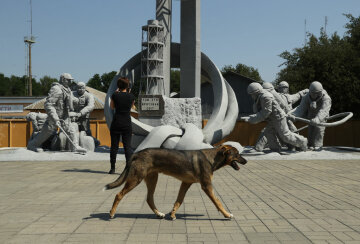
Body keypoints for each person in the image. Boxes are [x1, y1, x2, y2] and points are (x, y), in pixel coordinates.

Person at [27, 73, 86, 152]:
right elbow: (48, 104)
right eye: (68, 80)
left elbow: (69, 100)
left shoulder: (67, 89)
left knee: (71, 130)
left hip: (64, 115)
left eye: (70, 80)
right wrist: (55, 117)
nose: (70, 82)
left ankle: (75, 147)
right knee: (47, 132)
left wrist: (76, 101)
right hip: (55, 116)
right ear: (63, 80)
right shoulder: (56, 89)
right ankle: (32, 145)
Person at [242, 82, 307, 152]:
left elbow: (266, 112)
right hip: (272, 119)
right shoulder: (260, 96)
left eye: (252, 94)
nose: (252, 96)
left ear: (256, 92)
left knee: (285, 135)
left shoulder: (266, 96)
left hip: (278, 118)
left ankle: (302, 141)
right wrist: (251, 117)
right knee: (268, 132)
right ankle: (275, 149)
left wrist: (251, 118)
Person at [291, 81, 331, 150]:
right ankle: (310, 144)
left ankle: (318, 145)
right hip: (311, 116)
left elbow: (324, 110)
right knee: (311, 130)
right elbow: (301, 108)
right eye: (313, 93)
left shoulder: (326, 98)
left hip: (321, 117)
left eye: (317, 93)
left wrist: (318, 119)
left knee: (319, 129)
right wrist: (294, 115)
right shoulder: (306, 97)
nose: (315, 95)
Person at [109, 77, 135, 174]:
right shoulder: (131, 96)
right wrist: (128, 94)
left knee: (114, 147)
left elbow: (112, 107)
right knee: (127, 147)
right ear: (127, 86)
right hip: (127, 123)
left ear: (118, 86)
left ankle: (112, 168)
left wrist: (116, 94)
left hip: (116, 123)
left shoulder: (115, 95)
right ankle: (128, 169)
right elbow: (132, 106)